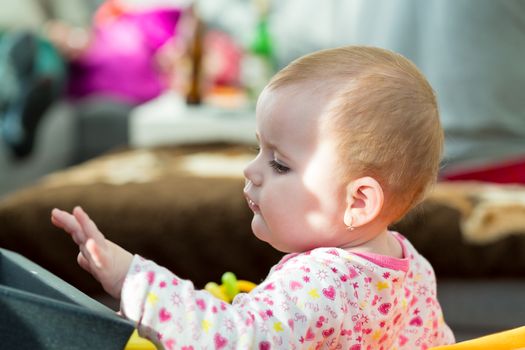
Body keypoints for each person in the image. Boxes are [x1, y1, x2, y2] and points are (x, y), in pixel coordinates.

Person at [51, 46, 455, 349]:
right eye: (258, 149)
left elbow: (233, 339)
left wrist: (130, 278)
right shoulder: (409, 263)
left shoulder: (319, 286)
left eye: (279, 164)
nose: (251, 170)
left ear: (359, 202)